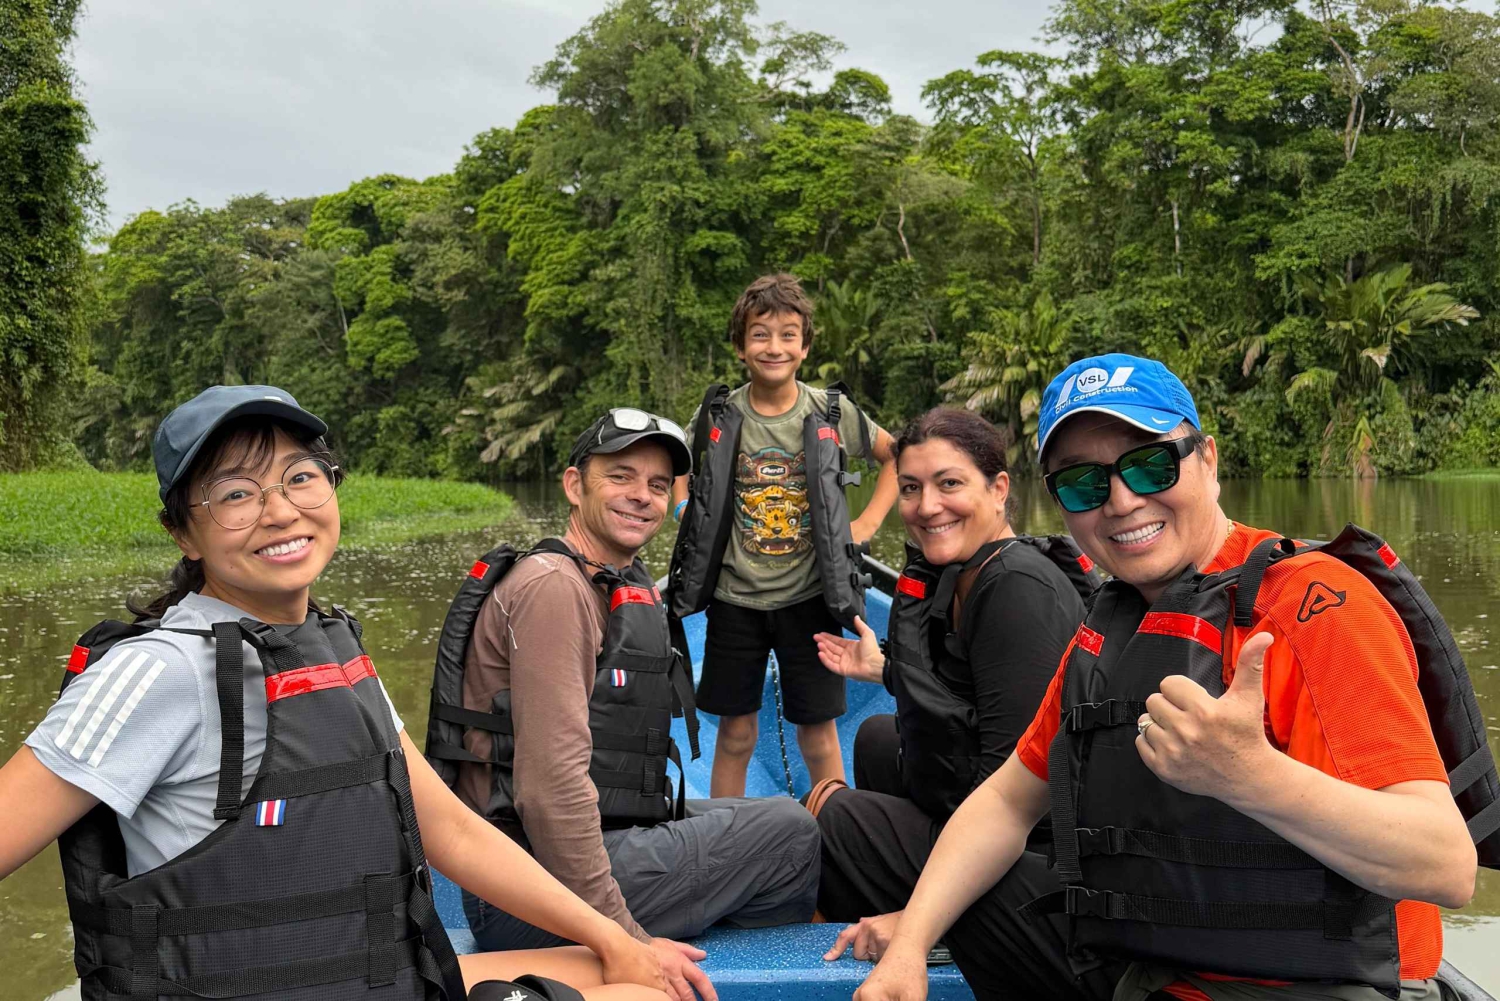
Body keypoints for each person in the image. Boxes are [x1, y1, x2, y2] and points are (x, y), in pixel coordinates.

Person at [0, 385, 672, 1001]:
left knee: (632, 973)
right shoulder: (159, 669)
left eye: (300, 477)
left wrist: (616, 936)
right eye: (236, 493)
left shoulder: (330, 645)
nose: (280, 511)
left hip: (365, 977)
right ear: (183, 531)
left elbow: (453, 831)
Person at [854, 354, 1492, 1001]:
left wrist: (1252, 775)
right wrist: (911, 941)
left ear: (1207, 459)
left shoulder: (1315, 606)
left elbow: (1446, 862)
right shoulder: (1114, 623)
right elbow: (1005, 801)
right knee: (965, 884)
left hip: (1323, 987)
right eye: (1083, 483)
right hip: (1162, 974)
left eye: (1151, 464)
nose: (1123, 500)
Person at [425, 407, 822, 1001]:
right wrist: (626, 940)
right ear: (573, 484)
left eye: (657, 485)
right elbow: (551, 791)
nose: (642, 496)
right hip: (530, 893)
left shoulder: (601, 578)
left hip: (569, 853)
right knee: (790, 832)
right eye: (621, 477)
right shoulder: (555, 589)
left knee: (750, 816)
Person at [805, 408, 1098, 962]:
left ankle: (934, 924)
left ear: (998, 489)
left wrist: (920, 918)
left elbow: (1018, 793)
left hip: (1036, 861)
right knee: (873, 737)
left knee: (835, 819)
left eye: (950, 483)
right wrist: (885, 669)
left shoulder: (1016, 589)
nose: (926, 506)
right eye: (911, 488)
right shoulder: (965, 573)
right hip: (992, 811)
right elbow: (965, 697)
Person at [668, 273, 900, 798]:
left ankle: (840, 833)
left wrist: (867, 524)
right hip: (733, 601)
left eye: (788, 335)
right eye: (760, 334)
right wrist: (683, 506)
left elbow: (895, 456)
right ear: (739, 345)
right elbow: (676, 462)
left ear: (806, 345)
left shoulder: (830, 412)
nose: (774, 347)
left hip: (812, 599)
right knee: (735, 733)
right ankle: (729, 838)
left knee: (817, 734)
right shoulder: (719, 414)